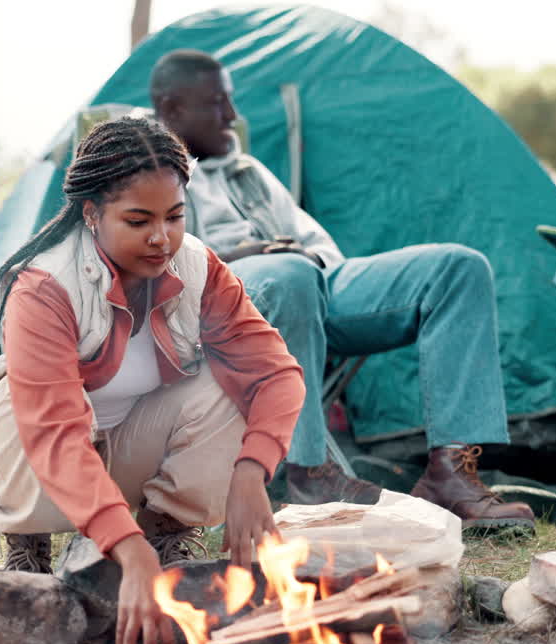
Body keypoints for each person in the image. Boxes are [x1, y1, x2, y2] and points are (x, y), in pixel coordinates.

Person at [0, 116, 304, 644]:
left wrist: (251, 473)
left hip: (123, 454)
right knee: (21, 408)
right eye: (138, 220)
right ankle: (30, 549)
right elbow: (56, 433)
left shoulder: (197, 267)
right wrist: (127, 547)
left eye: (174, 216)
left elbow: (275, 374)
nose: (161, 238)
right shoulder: (44, 284)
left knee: (225, 383)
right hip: (39, 465)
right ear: (92, 215)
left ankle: (166, 537)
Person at [148, 49, 535, 531]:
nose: (232, 115)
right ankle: (308, 472)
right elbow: (160, 269)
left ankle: (451, 473)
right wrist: (257, 253)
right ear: (171, 108)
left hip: (310, 284)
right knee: (289, 273)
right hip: (223, 307)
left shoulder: (246, 169)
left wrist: (300, 258)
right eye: (216, 103)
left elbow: (319, 247)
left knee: (458, 268)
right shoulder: (146, 172)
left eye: (230, 100)